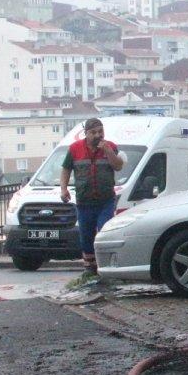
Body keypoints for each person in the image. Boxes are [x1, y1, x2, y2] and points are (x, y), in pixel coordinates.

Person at [60, 118, 124, 277]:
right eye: (93, 132)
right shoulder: (75, 149)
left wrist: (108, 151)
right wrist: (63, 189)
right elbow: (66, 169)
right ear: (86, 133)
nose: (98, 135)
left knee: (104, 232)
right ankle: (89, 267)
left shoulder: (111, 147)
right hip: (84, 201)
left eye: (100, 132)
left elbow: (118, 166)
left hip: (106, 200)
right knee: (86, 235)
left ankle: (105, 266)